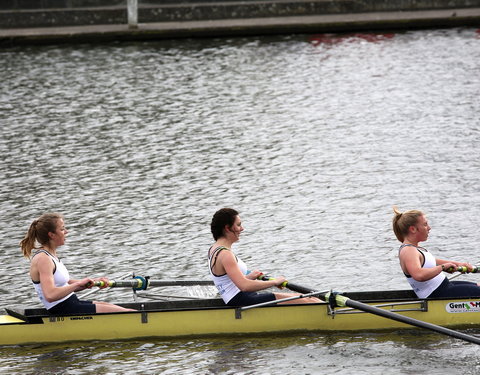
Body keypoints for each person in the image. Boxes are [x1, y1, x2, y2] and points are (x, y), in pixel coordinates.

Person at [20, 212, 134, 314]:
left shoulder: (50, 255)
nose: (66, 231)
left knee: (126, 310)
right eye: (62, 229)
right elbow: (50, 295)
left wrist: (94, 281)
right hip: (63, 310)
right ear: (52, 235)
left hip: (72, 304)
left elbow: (65, 283)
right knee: (129, 313)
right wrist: (78, 284)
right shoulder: (43, 259)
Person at [208, 208, 320, 306]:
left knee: (305, 297)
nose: (242, 229)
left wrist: (250, 277)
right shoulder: (225, 254)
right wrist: (275, 282)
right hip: (243, 299)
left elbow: (227, 282)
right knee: (308, 300)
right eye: (238, 225)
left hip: (238, 297)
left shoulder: (214, 249)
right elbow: (245, 286)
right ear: (227, 228)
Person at [392, 206, 480, 298]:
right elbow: (419, 275)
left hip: (444, 287)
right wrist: (442, 268)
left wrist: (460, 264)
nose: (429, 228)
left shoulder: (415, 248)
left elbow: (434, 261)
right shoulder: (408, 251)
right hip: (437, 294)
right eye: (425, 224)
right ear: (413, 229)